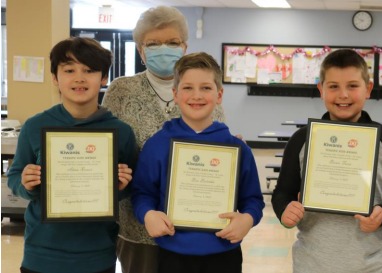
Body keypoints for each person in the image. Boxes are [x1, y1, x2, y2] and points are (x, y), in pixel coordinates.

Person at [101, 6, 226, 273]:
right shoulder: (121, 90)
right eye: (153, 43)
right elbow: (104, 149)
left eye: (172, 42)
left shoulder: (204, 90)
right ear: (140, 51)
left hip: (194, 230)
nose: (163, 48)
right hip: (139, 230)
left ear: (184, 47)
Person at [271, 49, 382, 273]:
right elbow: (282, 193)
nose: (343, 95)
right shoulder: (301, 140)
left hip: (369, 265)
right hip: (311, 264)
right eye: (333, 87)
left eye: (352, 86)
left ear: (367, 89)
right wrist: (285, 211)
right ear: (321, 89)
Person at [6, 37, 137, 273]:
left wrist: (121, 186)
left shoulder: (121, 132)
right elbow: (15, 176)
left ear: (104, 78)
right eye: (69, 70)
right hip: (42, 256)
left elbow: (128, 187)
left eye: (89, 70)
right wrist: (26, 184)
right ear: (55, 78)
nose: (79, 77)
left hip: (97, 256)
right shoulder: (35, 126)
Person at [130, 52, 264, 273]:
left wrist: (247, 219)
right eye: (188, 88)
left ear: (219, 95)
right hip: (173, 254)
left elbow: (253, 200)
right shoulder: (157, 145)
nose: (197, 95)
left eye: (206, 88)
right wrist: (148, 214)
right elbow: (142, 193)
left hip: (224, 254)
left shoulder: (237, 149)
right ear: (175, 93)